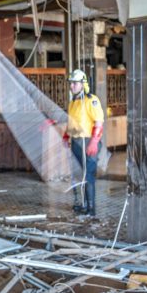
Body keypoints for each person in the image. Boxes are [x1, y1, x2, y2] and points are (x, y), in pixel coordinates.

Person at [64, 69, 105, 217]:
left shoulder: (91, 100)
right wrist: (65, 138)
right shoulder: (73, 103)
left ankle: (91, 209)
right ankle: (82, 204)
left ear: (83, 84)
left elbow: (99, 122)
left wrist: (94, 141)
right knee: (77, 175)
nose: (72, 86)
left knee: (88, 176)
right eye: (71, 83)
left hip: (87, 142)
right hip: (75, 142)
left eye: (75, 83)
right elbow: (70, 123)